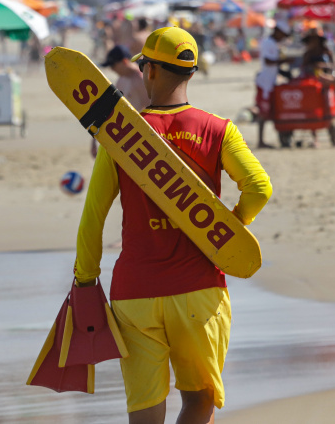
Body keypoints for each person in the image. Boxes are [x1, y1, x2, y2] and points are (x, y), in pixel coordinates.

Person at [75, 27, 272, 424]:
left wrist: (85, 280)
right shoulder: (218, 129)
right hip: (199, 290)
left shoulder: (121, 137)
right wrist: (227, 229)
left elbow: (93, 215)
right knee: (198, 402)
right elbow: (259, 188)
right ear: (191, 73)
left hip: (135, 294)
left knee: (145, 411)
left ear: (148, 71)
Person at [92, 45, 150, 158]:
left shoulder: (140, 79)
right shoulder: (122, 79)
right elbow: (111, 108)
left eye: (113, 65)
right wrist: (94, 138)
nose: (112, 69)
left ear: (124, 61)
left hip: (138, 137)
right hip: (123, 135)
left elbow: (150, 111)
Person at [254, 20, 292, 148]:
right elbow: (268, 61)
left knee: (269, 111)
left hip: (270, 82)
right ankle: (260, 141)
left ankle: (263, 140)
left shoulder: (273, 43)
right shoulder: (268, 43)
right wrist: (284, 60)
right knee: (263, 112)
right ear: (277, 31)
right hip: (265, 83)